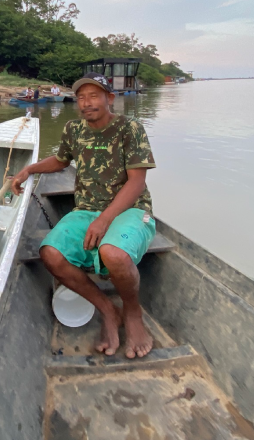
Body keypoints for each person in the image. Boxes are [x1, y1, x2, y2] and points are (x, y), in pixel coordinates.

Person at [11, 74, 156, 359]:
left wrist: (104, 220)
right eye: (81, 97)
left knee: (113, 253)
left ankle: (133, 314)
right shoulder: (73, 129)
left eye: (93, 96)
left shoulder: (131, 129)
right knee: (51, 254)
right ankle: (108, 310)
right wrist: (30, 169)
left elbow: (136, 182)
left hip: (131, 209)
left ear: (109, 98)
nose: (86, 103)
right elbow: (61, 160)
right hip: (86, 209)